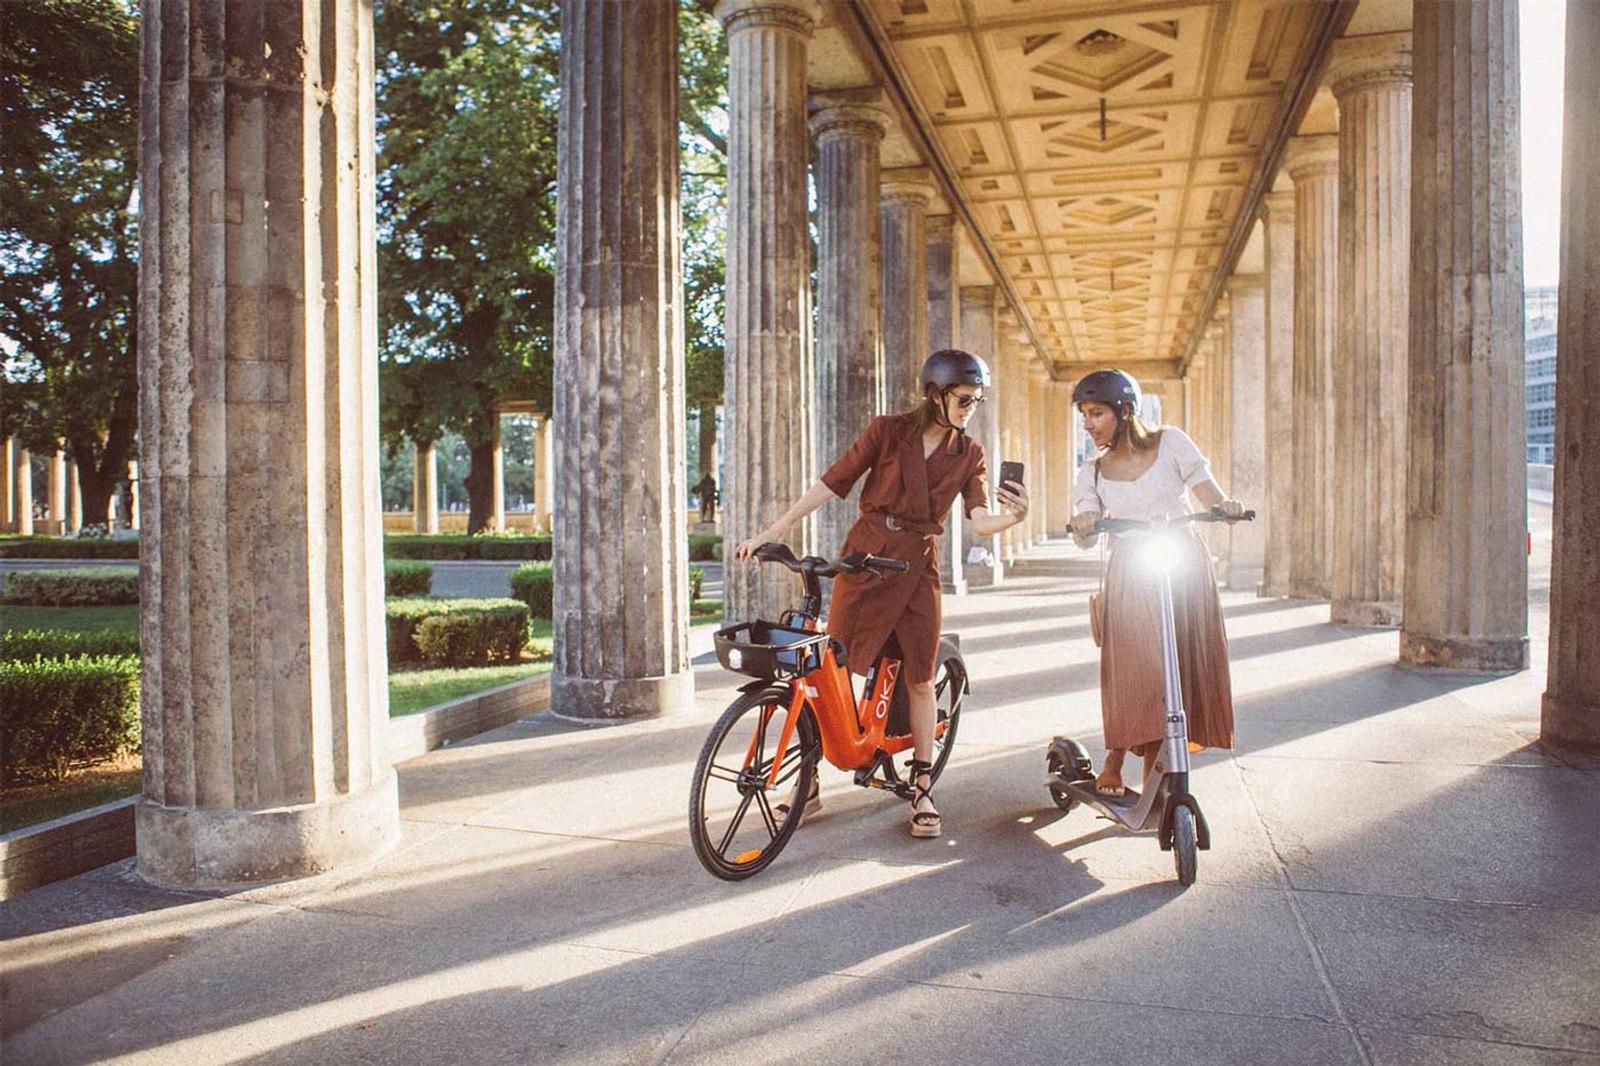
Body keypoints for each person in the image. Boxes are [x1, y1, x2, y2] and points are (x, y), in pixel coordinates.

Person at [735, 350, 1029, 837]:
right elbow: (833, 482)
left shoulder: (969, 453)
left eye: (977, 400)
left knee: (918, 676)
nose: (970, 407)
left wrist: (1015, 517)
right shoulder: (888, 431)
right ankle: (807, 785)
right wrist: (775, 529)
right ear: (935, 393)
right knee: (834, 667)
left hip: (917, 566)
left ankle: (922, 787)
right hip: (865, 557)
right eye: (962, 398)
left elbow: (978, 519)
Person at [1069, 369, 1242, 797]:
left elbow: (1208, 493)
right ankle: (1115, 757)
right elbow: (1085, 535)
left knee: (1178, 660)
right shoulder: (1091, 472)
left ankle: (1157, 768)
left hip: (1181, 559)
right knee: (1136, 664)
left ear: (1125, 411)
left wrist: (1227, 506)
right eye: (1084, 415)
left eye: (1096, 413)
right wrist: (1084, 523)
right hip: (1131, 566)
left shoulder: (1172, 442)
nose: (1088, 424)